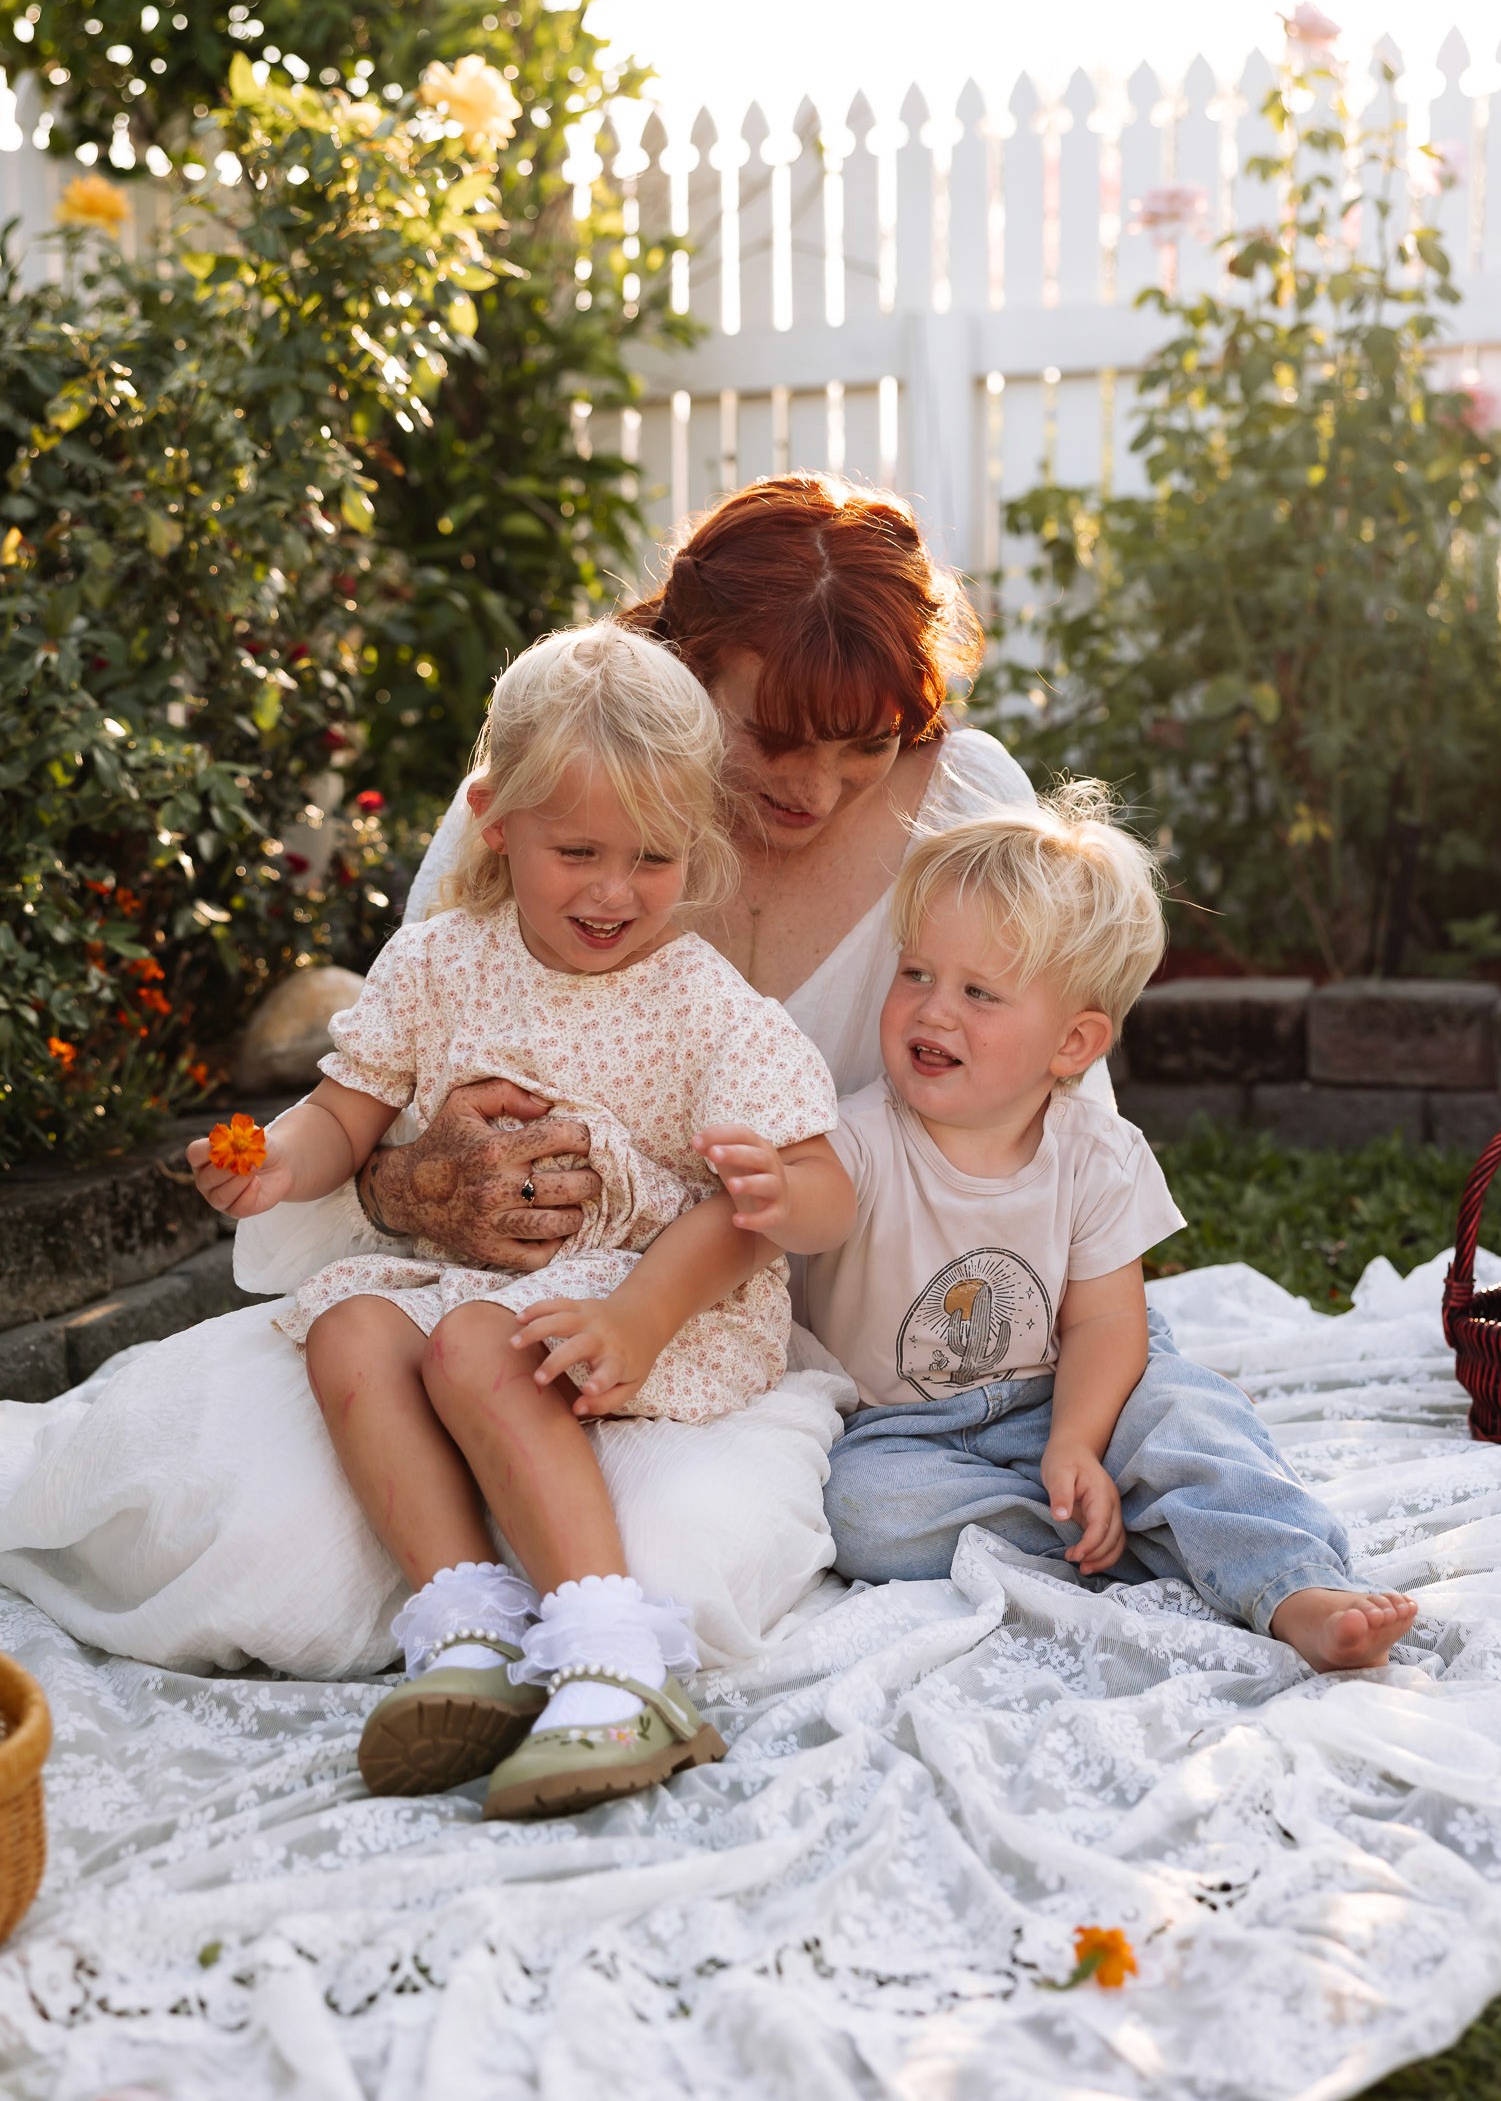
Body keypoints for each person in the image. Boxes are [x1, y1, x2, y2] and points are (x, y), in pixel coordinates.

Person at [0, 475, 1030, 1679]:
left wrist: (691, 1282)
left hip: (716, 1325)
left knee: (670, 1568)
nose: (813, 786)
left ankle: (595, 1645)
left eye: (863, 744)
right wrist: (407, 1183)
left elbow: (1027, 1150)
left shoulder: (962, 810)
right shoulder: (553, 775)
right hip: (458, 1303)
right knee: (243, 1537)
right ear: (684, 669)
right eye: (772, 736)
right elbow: (380, 1085)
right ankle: (466, 1623)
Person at [188, 623, 850, 1816]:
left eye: (652, 857)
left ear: (696, 843)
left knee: (472, 1347)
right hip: (468, 1275)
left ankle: (616, 1660)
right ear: (495, 820)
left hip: (652, 1291)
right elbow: (347, 1113)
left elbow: (806, 1188)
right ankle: (470, 1635)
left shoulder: (700, 999)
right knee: (348, 1333)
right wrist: (275, 1163)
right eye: (577, 850)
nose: (612, 891)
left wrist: (684, 1276)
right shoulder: (439, 963)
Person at [803, 793, 1419, 1671]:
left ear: (1073, 1043)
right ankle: (1137, 1533)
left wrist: (1076, 1441)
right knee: (862, 1513)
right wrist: (764, 1182)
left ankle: (1291, 1585)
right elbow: (801, 1211)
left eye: (979, 992)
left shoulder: (1095, 1152)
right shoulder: (856, 1137)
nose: (934, 1012)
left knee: (1186, 1410)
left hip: (1078, 1385)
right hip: (907, 1428)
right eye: (915, 975)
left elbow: (1104, 1323)